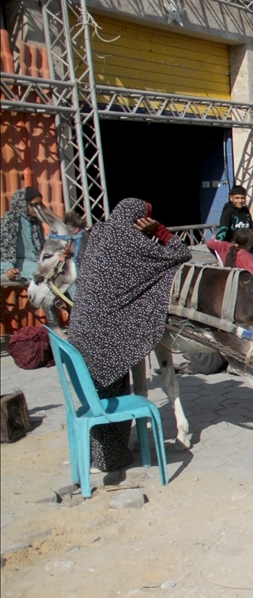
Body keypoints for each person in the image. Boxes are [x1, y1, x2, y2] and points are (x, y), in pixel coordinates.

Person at [67, 198, 190, 472]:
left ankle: (98, 453)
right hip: (103, 351)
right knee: (114, 393)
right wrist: (159, 231)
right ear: (138, 220)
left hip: (79, 343)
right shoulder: (133, 243)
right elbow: (182, 252)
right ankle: (108, 458)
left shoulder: (98, 234)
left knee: (101, 392)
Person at [205, 228, 253, 311]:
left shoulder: (224, 246)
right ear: (249, 243)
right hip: (244, 287)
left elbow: (209, 243)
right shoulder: (246, 257)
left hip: (228, 282)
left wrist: (217, 256)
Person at [216, 184, 253, 284]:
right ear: (231, 198)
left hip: (248, 250)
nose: (240, 201)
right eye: (237, 198)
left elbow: (251, 233)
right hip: (235, 251)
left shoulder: (246, 212)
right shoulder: (228, 211)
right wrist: (219, 253)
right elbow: (222, 231)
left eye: (242, 198)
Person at [1, 187, 47, 282]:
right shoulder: (11, 219)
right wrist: (8, 268)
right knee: (47, 275)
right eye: (34, 205)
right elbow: (5, 248)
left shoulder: (36, 221)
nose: (38, 208)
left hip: (37, 262)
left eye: (40, 204)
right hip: (19, 264)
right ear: (23, 204)